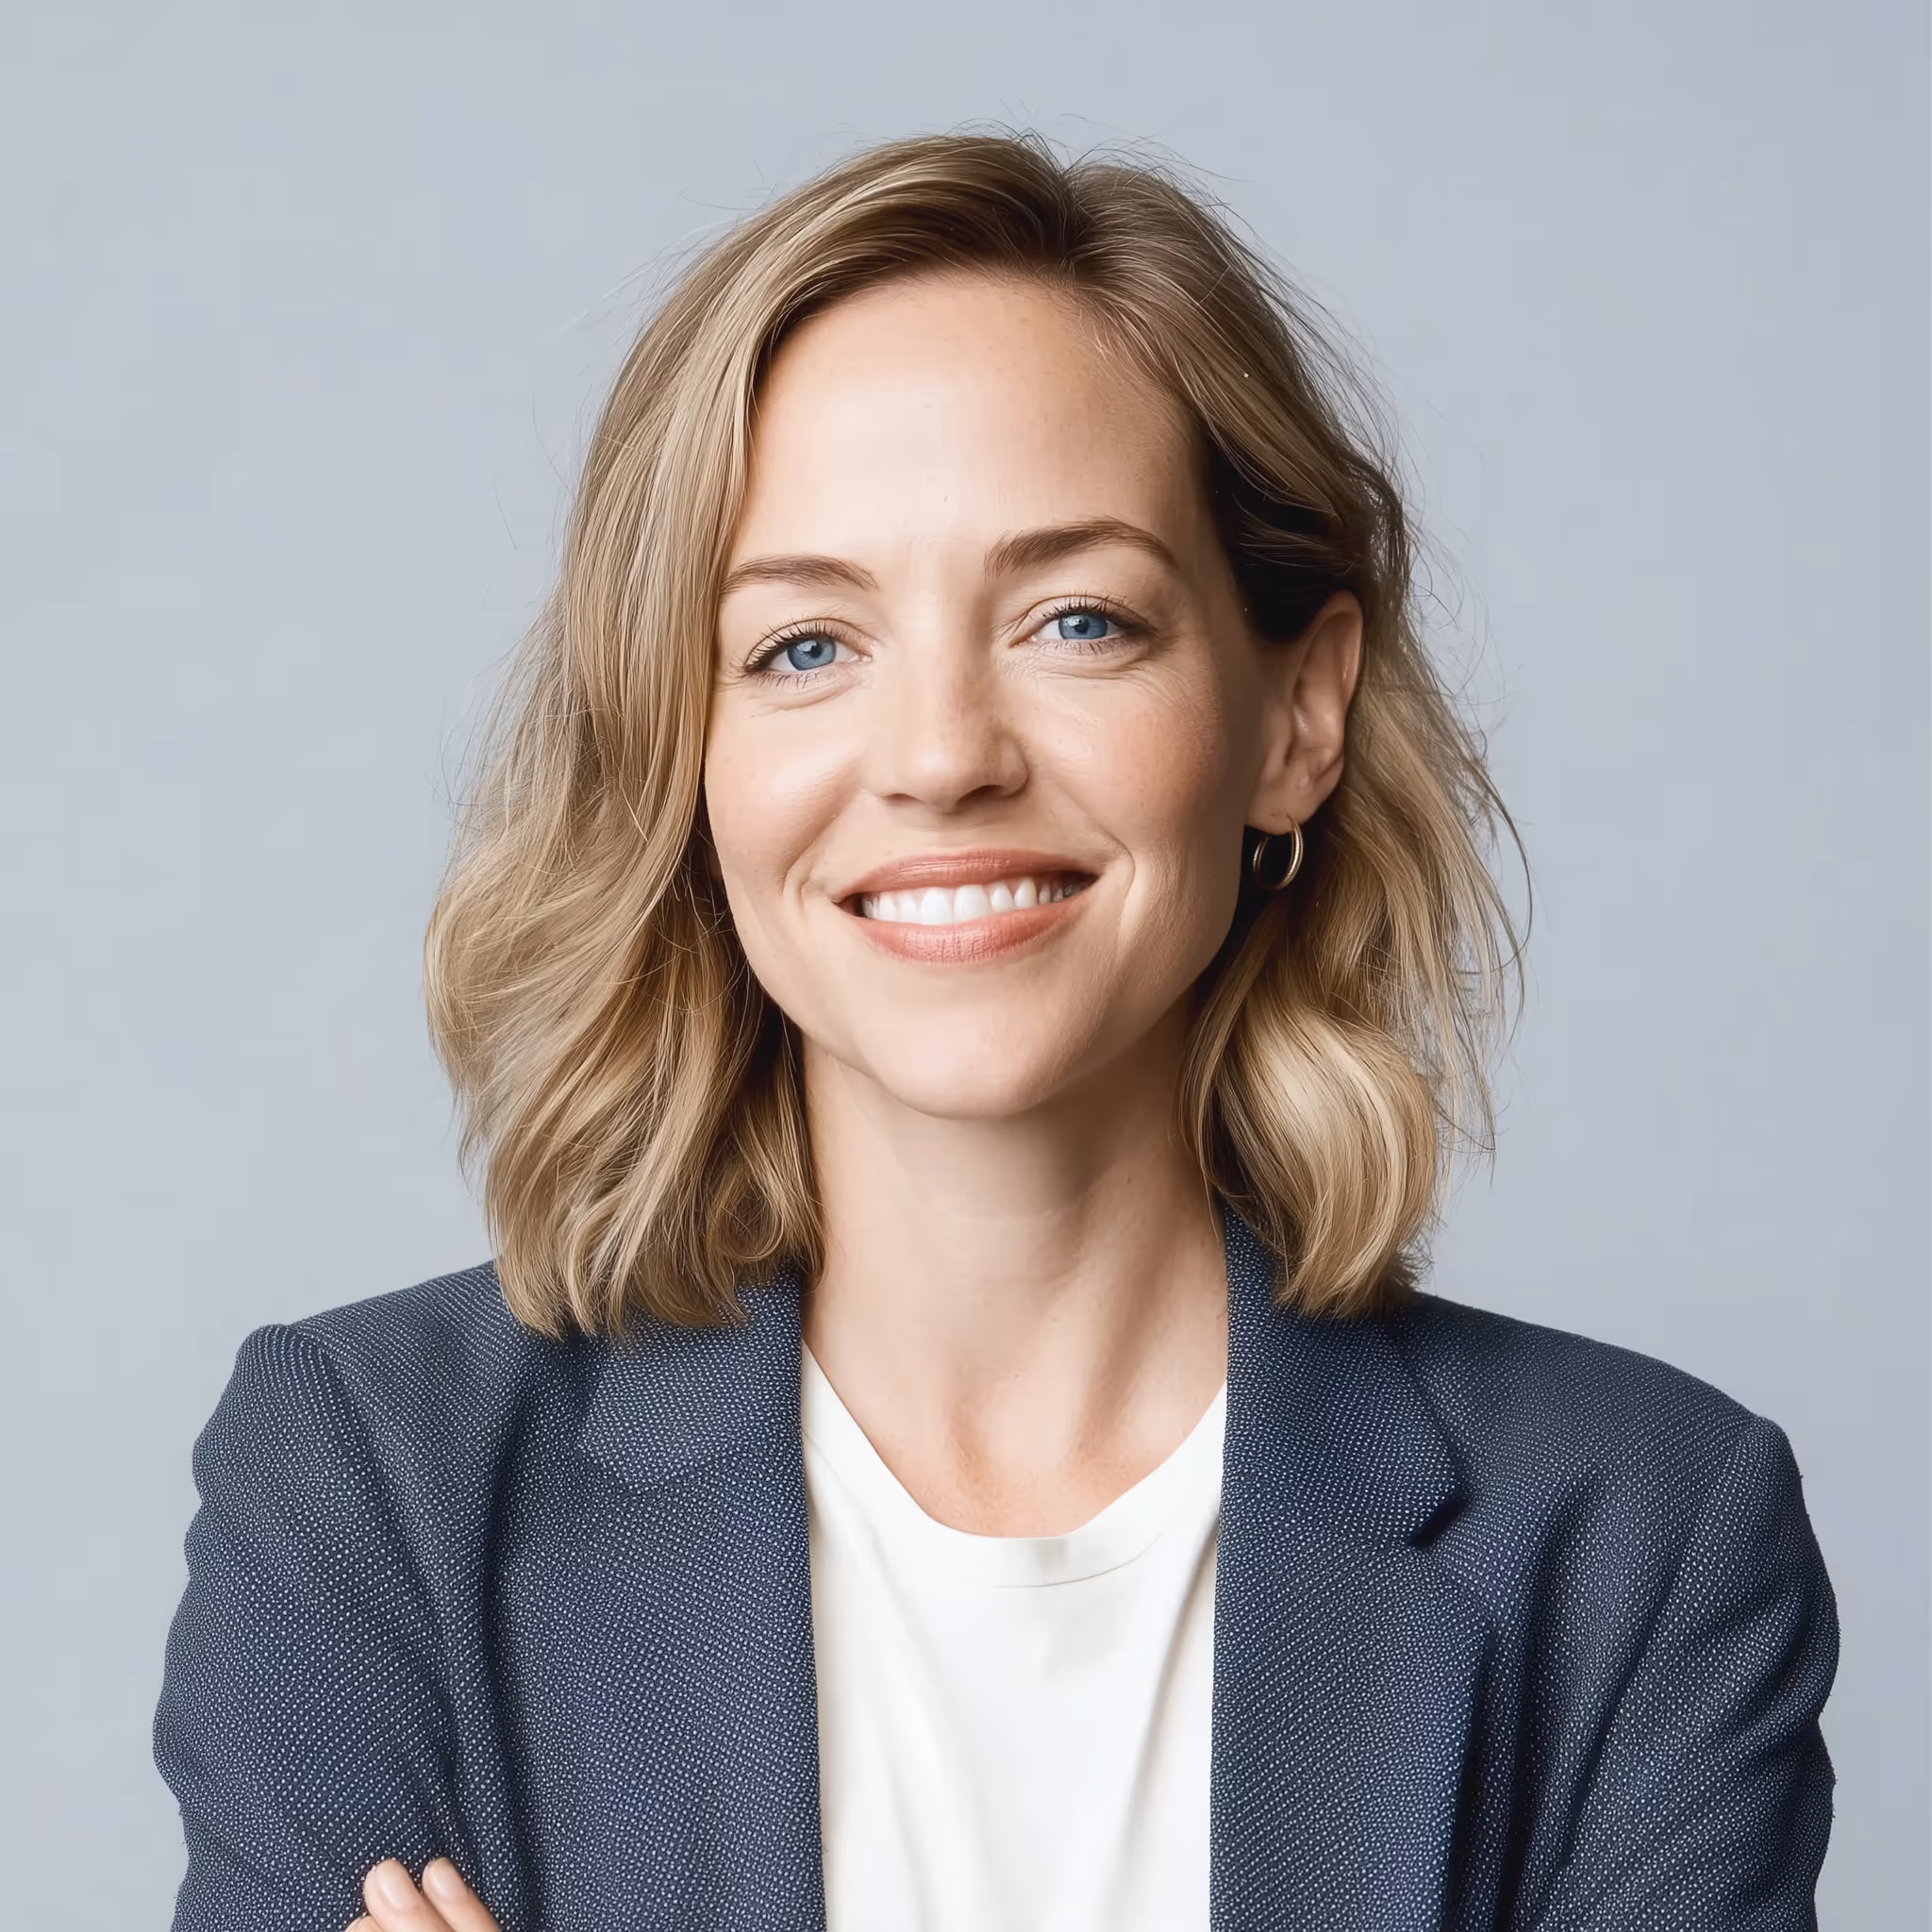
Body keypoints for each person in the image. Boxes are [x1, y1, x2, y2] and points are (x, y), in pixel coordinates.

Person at [153, 132, 1839, 1932]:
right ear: (683, 752)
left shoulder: (1647, 1540)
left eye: (1077, 618)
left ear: (1296, 710)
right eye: (804, 646)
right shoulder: (369, 1489)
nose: (944, 753)